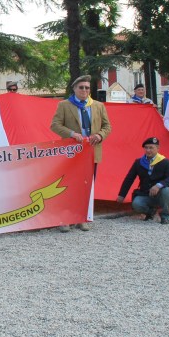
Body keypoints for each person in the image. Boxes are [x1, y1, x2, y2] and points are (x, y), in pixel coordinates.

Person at [50, 75, 112, 231]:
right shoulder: (64, 105)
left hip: (92, 151)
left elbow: (107, 126)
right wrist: (71, 133)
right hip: (71, 153)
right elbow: (55, 125)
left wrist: (100, 135)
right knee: (68, 185)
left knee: (87, 187)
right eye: (81, 87)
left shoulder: (98, 106)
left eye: (87, 88)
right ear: (74, 89)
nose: (84, 90)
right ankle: (64, 219)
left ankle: (81, 217)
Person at [116, 137, 169, 224]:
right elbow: (129, 179)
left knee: (167, 191)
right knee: (136, 204)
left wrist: (158, 185)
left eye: (151, 147)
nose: (148, 150)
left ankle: (164, 215)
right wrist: (122, 195)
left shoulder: (165, 162)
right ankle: (150, 212)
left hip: (160, 194)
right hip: (145, 194)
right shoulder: (139, 162)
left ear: (158, 148)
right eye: (146, 148)